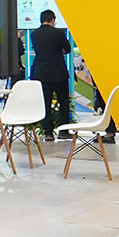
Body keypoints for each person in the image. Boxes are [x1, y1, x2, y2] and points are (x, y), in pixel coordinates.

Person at [30, 8, 71, 142]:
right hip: (58, 72)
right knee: (63, 101)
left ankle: (48, 132)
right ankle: (63, 131)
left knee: (45, 102)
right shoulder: (58, 33)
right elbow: (67, 49)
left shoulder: (34, 34)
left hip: (41, 73)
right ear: (53, 20)